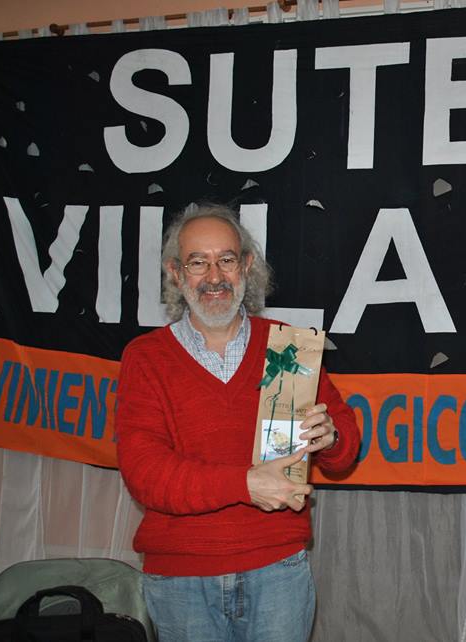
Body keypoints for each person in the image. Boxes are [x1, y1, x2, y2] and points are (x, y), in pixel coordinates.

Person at [115, 203, 359, 642]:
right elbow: (145, 474)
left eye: (226, 259)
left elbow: (344, 451)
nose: (214, 277)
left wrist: (332, 437)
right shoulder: (146, 358)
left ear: (246, 266)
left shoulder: (289, 347)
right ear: (175, 273)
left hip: (278, 571)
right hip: (181, 581)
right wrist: (246, 484)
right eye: (198, 262)